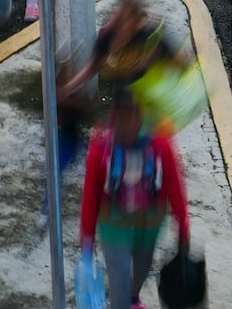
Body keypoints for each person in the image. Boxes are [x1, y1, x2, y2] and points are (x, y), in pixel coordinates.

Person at [80, 87, 190, 309]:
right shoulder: (101, 148)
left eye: (134, 117)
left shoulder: (159, 143)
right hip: (114, 225)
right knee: (119, 285)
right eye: (124, 118)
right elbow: (90, 194)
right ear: (116, 117)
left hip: (148, 225)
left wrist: (183, 226)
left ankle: (133, 297)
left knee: (141, 269)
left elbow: (174, 185)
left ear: (141, 115)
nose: (129, 126)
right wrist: (87, 238)